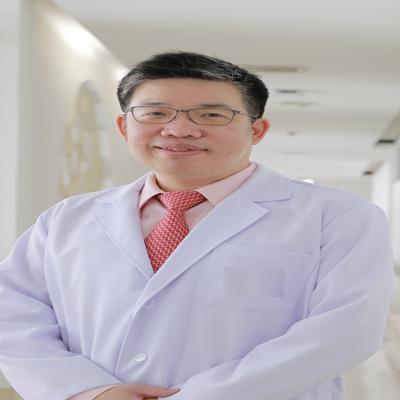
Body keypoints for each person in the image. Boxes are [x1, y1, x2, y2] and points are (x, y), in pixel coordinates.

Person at [0, 51, 394, 400]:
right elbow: (12, 311)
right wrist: (87, 390)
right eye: (155, 113)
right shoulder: (67, 219)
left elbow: (343, 332)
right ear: (124, 127)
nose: (179, 130)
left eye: (211, 115)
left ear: (256, 130)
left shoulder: (338, 217)